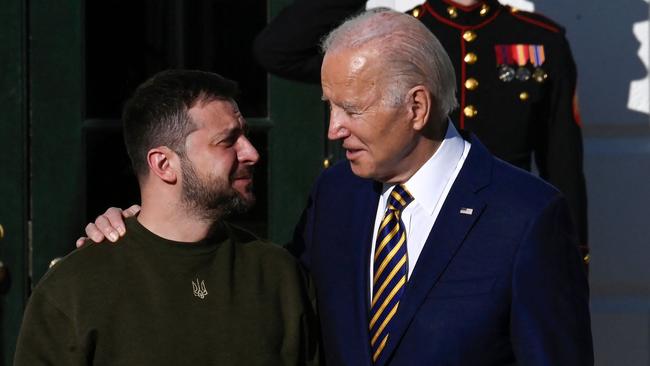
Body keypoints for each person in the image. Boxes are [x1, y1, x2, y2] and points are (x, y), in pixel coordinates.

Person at [83, 10, 592, 365]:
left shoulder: (526, 216)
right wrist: (145, 235)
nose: (333, 129)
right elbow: (267, 297)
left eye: (352, 109)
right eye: (330, 106)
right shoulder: (338, 193)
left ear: (416, 107)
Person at [15, 70, 320, 365]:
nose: (251, 153)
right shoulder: (74, 290)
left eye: (246, 136)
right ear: (163, 164)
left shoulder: (279, 275)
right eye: (228, 141)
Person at [253, 0, 590, 264]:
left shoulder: (540, 41)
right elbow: (278, 50)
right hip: (407, 224)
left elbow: (562, 163)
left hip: (503, 230)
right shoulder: (401, 37)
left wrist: (572, 255)